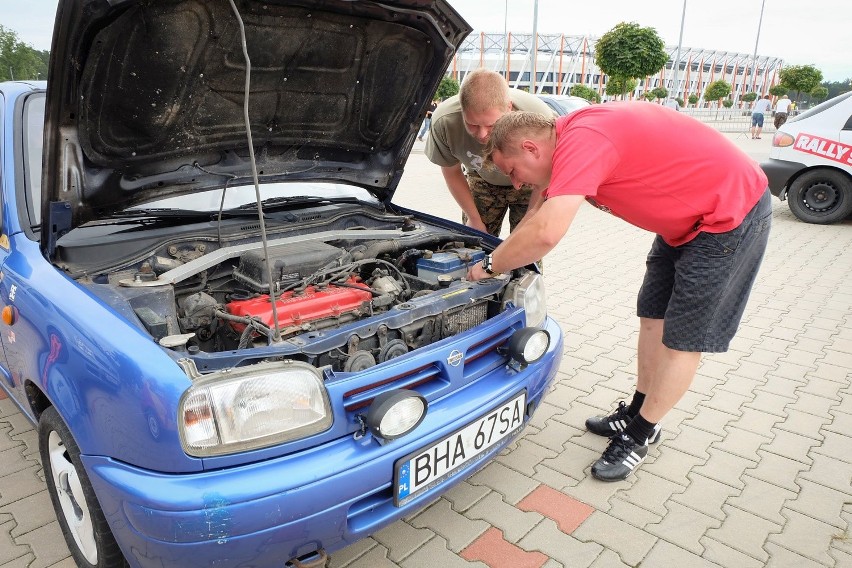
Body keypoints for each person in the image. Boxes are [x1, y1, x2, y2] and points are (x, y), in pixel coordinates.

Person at [466, 106, 771, 482]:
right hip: (682, 225)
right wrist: (495, 252)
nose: (515, 184)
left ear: (531, 148)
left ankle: (642, 435)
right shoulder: (568, 140)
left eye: (513, 171)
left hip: (728, 217)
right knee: (653, 316)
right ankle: (638, 411)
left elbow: (546, 233)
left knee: (682, 340)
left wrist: (491, 266)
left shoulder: (584, 141)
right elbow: (535, 219)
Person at [424, 68, 555, 236]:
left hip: (530, 184)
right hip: (482, 180)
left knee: (526, 244)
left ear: (509, 108)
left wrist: (530, 220)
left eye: (491, 125)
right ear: (462, 110)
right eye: (472, 124)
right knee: (474, 244)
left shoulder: (539, 119)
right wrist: (474, 219)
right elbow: (451, 172)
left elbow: (544, 175)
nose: (482, 134)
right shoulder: (444, 121)